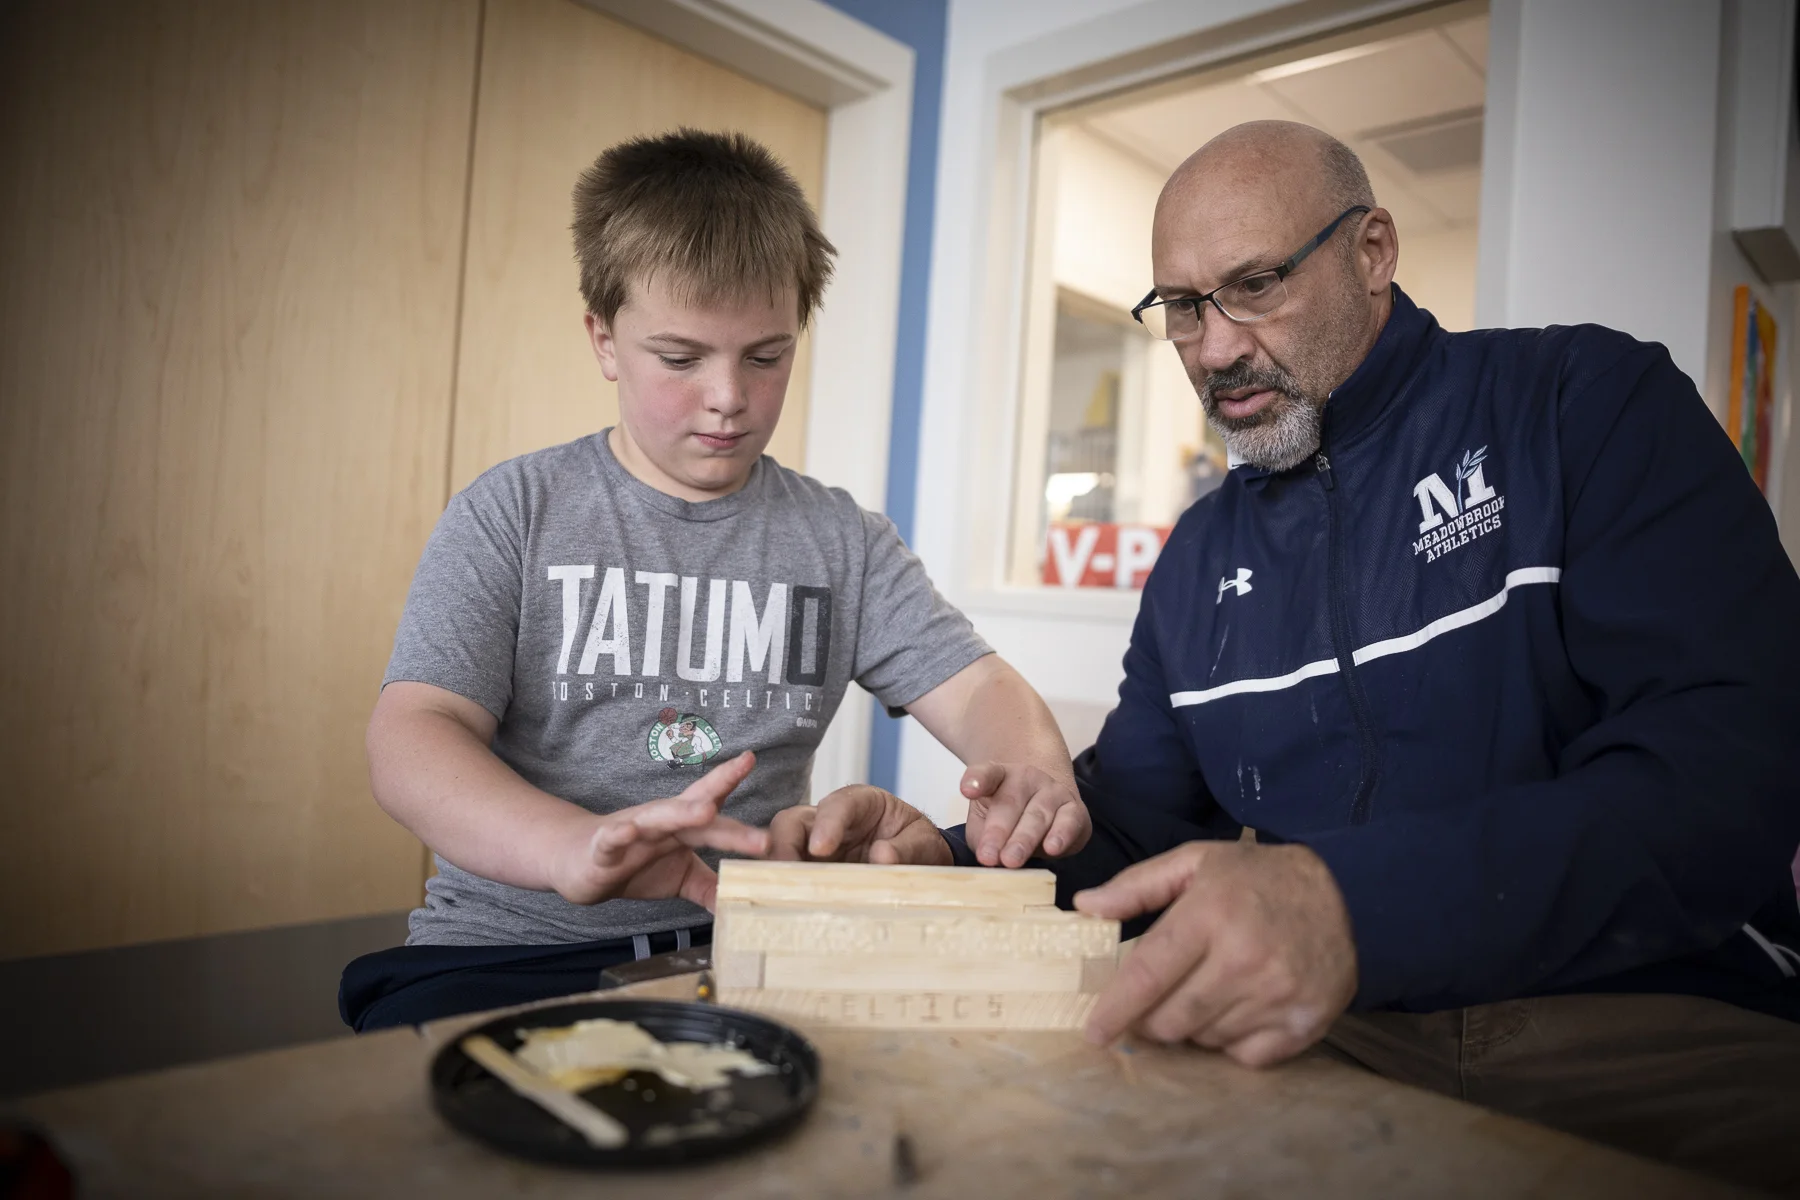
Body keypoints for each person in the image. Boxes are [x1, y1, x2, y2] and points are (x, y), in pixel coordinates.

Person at [851, 120, 1800, 1191]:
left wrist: (1351, 906)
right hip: (1335, 1027)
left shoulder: (1583, 404)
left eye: (1254, 285)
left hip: (1654, 1016)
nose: (1213, 349)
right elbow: (1134, 818)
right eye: (1181, 308)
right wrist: (963, 862)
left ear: (1375, 251)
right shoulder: (1199, 552)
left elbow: (1733, 771)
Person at [339, 129, 1089, 1033]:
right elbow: (414, 735)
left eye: (765, 357)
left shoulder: (840, 540)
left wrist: (1036, 771)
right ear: (604, 340)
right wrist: (570, 847)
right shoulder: (514, 511)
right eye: (682, 358)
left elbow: (979, 691)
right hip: (507, 948)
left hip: (743, 952)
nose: (729, 395)